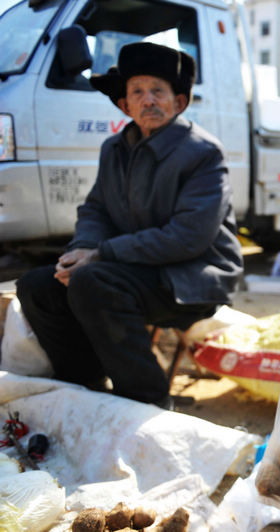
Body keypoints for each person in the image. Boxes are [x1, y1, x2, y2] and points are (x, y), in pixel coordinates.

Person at [15, 42, 243, 408]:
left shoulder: (202, 152)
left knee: (94, 282)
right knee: (39, 285)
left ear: (179, 102)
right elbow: (96, 210)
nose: (148, 100)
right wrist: (79, 251)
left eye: (158, 91)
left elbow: (189, 237)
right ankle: (84, 386)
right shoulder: (113, 149)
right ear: (125, 105)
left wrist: (102, 254)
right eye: (137, 91)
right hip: (133, 267)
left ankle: (147, 399)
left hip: (192, 276)